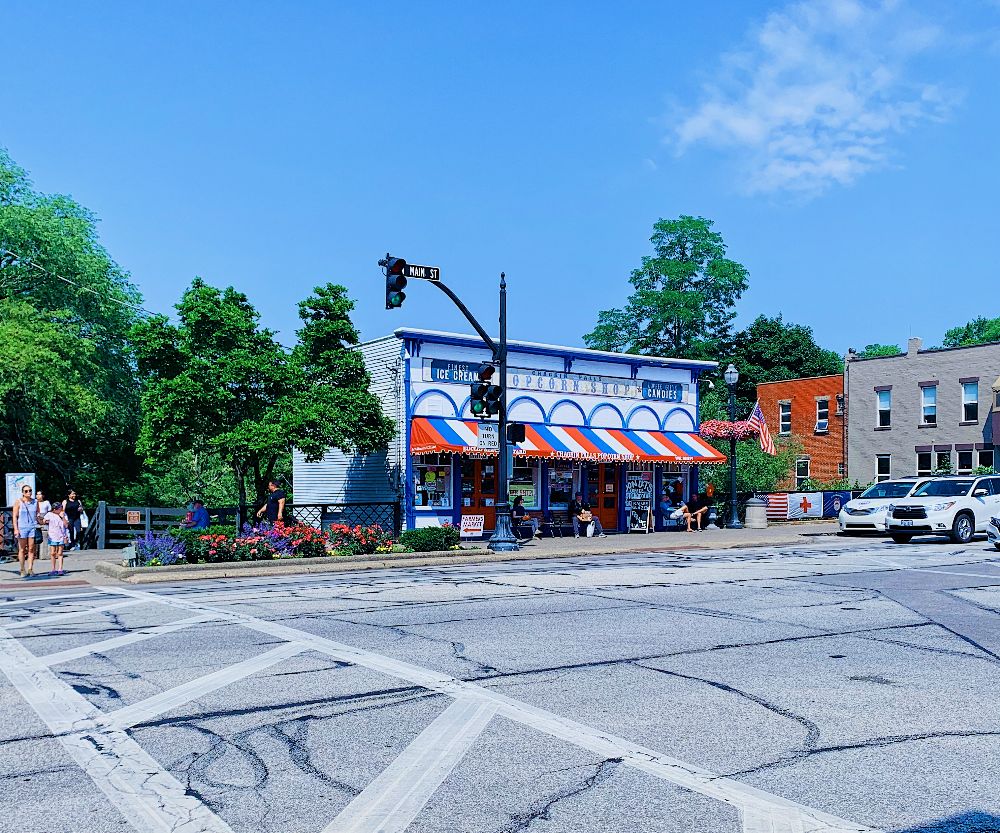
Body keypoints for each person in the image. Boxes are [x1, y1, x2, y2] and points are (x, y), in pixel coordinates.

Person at [12, 485, 38, 578]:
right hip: (22, 527)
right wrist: (16, 528)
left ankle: (30, 568)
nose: (29, 492)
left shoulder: (35, 502)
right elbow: (14, 516)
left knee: (31, 549)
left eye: (30, 490)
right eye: (26, 491)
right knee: (22, 549)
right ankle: (22, 569)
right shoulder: (18, 502)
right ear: (23, 492)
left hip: (32, 527)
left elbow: (37, 514)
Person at [43, 503, 69, 576]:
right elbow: (44, 521)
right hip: (52, 535)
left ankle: (60, 569)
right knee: (52, 553)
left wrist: (62, 517)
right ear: (55, 509)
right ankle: (53, 569)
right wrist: (45, 521)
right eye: (59, 508)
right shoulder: (49, 514)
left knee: (60, 553)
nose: (61, 510)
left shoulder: (64, 514)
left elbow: (66, 525)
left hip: (61, 535)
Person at [35, 490, 52, 564]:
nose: (38, 496)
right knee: (36, 536)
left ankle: (46, 553)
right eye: (37, 494)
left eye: (40, 494)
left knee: (46, 536)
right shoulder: (34, 502)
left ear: (43, 495)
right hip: (36, 519)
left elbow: (49, 511)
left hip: (44, 519)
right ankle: (35, 553)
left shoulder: (46, 502)